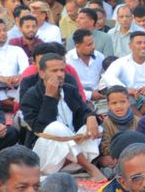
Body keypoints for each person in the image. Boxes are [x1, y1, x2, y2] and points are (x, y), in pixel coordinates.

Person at [23, 53, 105, 181]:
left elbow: (84, 110)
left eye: (62, 70)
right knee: (55, 127)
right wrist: (49, 97)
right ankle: (89, 167)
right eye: (54, 70)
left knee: (95, 128)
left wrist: (90, 117)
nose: (60, 74)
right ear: (42, 73)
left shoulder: (70, 90)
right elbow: (40, 129)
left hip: (70, 155)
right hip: (47, 155)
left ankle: (72, 163)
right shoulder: (31, 95)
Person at [101, 30, 145, 116]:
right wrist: (125, 89)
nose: (143, 46)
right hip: (131, 96)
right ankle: (142, 120)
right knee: (123, 95)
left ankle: (138, 120)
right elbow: (108, 76)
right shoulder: (121, 62)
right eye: (139, 43)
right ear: (130, 46)